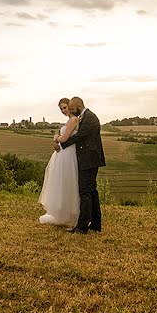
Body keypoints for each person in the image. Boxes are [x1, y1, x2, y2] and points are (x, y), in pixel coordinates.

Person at [56, 97, 105, 234]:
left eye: (72, 109)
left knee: (85, 192)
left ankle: (82, 226)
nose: (71, 111)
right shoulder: (85, 116)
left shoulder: (90, 118)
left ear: (78, 106)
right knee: (91, 191)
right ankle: (95, 223)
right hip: (89, 158)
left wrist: (62, 144)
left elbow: (80, 136)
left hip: (89, 159)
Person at [38, 98, 80, 227]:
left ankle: (72, 215)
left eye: (65, 107)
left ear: (71, 107)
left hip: (68, 154)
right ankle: (63, 213)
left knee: (69, 182)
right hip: (62, 154)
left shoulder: (74, 120)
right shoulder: (69, 120)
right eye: (61, 108)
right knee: (61, 183)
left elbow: (64, 138)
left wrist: (56, 138)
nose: (63, 110)